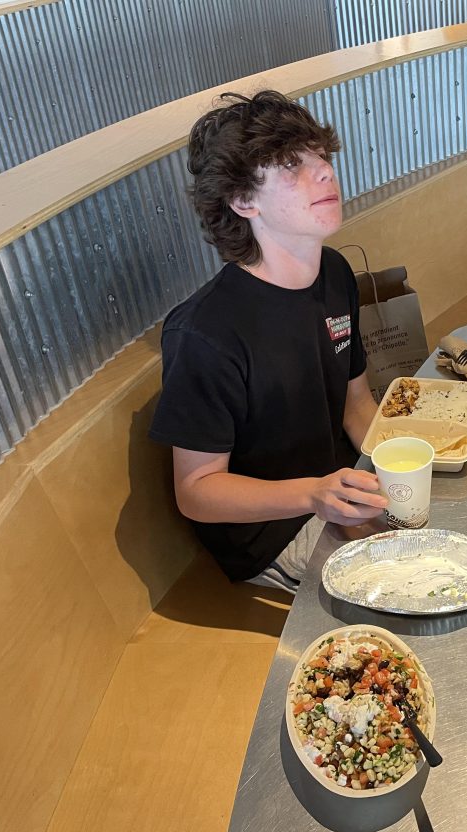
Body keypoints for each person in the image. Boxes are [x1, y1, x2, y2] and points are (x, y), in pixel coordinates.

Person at [149, 90, 386, 592]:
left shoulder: (336, 272)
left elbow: (356, 405)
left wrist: (409, 462)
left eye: (320, 155)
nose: (323, 172)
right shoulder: (205, 334)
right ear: (243, 201)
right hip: (273, 533)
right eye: (290, 166)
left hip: (338, 487)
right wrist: (313, 495)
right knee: (419, 583)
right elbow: (197, 490)